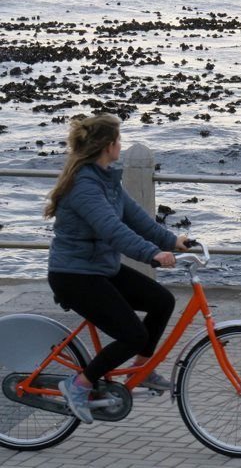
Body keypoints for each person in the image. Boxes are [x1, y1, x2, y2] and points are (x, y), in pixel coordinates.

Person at [45, 113, 187, 424]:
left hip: (100, 269)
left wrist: (174, 241)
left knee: (162, 301)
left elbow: (137, 220)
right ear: (108, 146)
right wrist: (153, 254)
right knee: (133, 334)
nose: (121, 146)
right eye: (119, 141)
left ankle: (142, 370)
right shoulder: (84, 186)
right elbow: (113, 230)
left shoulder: (107, 179)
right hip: (74, 276)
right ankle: (78, 385)